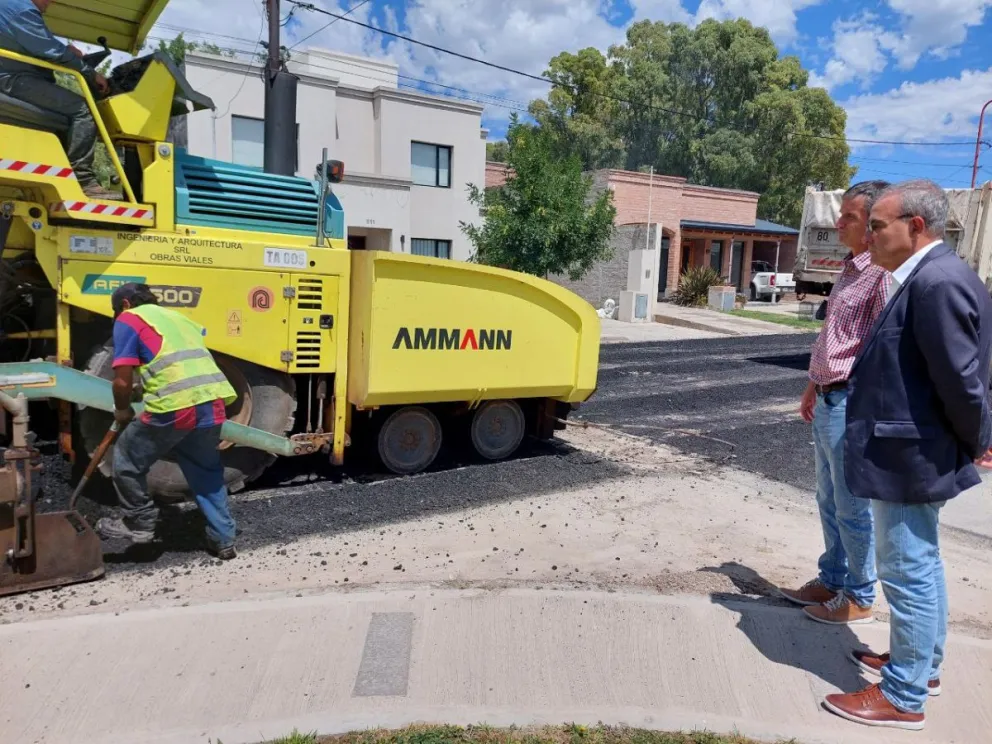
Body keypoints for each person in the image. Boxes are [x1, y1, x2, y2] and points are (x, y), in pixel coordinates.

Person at [823, 180, 992, 730]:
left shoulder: (937, 282)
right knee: (922, 564)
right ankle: (923, 667)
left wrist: (976, 442)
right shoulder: (928, 276)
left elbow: (962, 383)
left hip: (911, 453)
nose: (868, 236)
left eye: (877, 226)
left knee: (907, 571)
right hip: (912, 448)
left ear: (915, 226)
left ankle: (903, 695)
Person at [778, 180, 890, 625]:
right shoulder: (848, 270)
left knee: (851, 506)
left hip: (851, 405)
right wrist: (812, 385)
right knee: (828, 498)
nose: (838, 223)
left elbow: (884, 348)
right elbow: (832, 337)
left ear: (872, 226)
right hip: (827, 400)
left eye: (849, 218)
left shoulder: (880, 275)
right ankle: (832, 579)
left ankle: (859, 595)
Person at [97, 283, 239, 559]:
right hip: (211, 401)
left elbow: (122, 379)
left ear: (124, 304)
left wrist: (122, 409)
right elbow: (173, 363)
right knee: (206, 473)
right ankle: (224, 540)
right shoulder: (178, 318)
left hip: (175, 407)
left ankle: (139, 523)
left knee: (126, 458)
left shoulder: (129, 318)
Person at [0, 0, 115, 199]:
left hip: (13, 76)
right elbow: (53, 52)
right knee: (83, 109)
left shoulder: (10, 5)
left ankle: (61, 171)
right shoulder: (23, 11)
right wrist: (90, 73)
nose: (50, 4)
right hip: (13, 80)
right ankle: (83, 180)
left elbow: (42, 45)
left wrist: (68, 52)